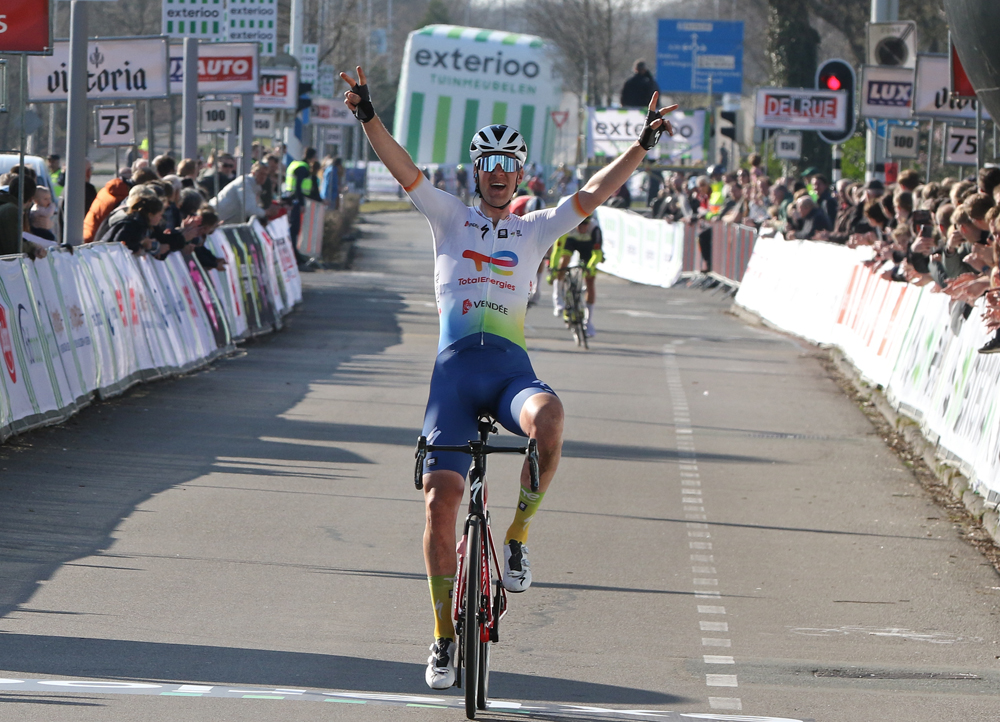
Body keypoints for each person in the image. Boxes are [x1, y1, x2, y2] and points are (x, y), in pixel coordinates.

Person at [340, 64, 677, 691]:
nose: (498, 174)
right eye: (487, 164)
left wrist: (641, 145)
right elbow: (400, 166)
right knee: (441, 506)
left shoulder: (535, 229)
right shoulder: (448, 217)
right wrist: (368, 116)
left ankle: (517, 537)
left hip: (508, 377)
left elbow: (595, 193)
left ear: (520, 174)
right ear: (477, 171)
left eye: (508, 165)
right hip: (453, 379)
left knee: (549, 418)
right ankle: (443, 636)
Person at [550, 216, 603, 337]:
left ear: (589, 223)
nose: (581, 227)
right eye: (579, 224)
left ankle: (588, 322)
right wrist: (554, 269)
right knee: (563, 262)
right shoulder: (567, 226)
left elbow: (598, 254)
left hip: (588, 247)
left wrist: (590, 267)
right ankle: (558, 300)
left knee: (590, 280)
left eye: (585, 224)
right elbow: (557, 250)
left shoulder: (595, 229)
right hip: (571, 242)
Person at [210, 162, 279, 225]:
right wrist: (267, 212)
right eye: (261, 174)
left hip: (223, 219)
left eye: (266, 175)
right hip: (213, 215)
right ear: (253, 173)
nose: (263, 177)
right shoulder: (245, 183)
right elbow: (250, 209)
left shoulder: (255, 186)